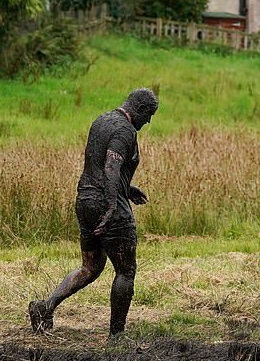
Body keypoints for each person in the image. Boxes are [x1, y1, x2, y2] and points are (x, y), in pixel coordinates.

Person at [28, 87, 159, 336]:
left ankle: (45, 307)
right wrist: (112, 206)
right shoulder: (125, 130)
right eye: (150, 114)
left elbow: (98, 166)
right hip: (106, 205)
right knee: (126, 271)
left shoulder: (102, 120)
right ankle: (116, 337)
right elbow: (110, 167)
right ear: (140, 109)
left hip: (85, 201)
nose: (149, 120)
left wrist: (127, 188)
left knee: (91, 266)